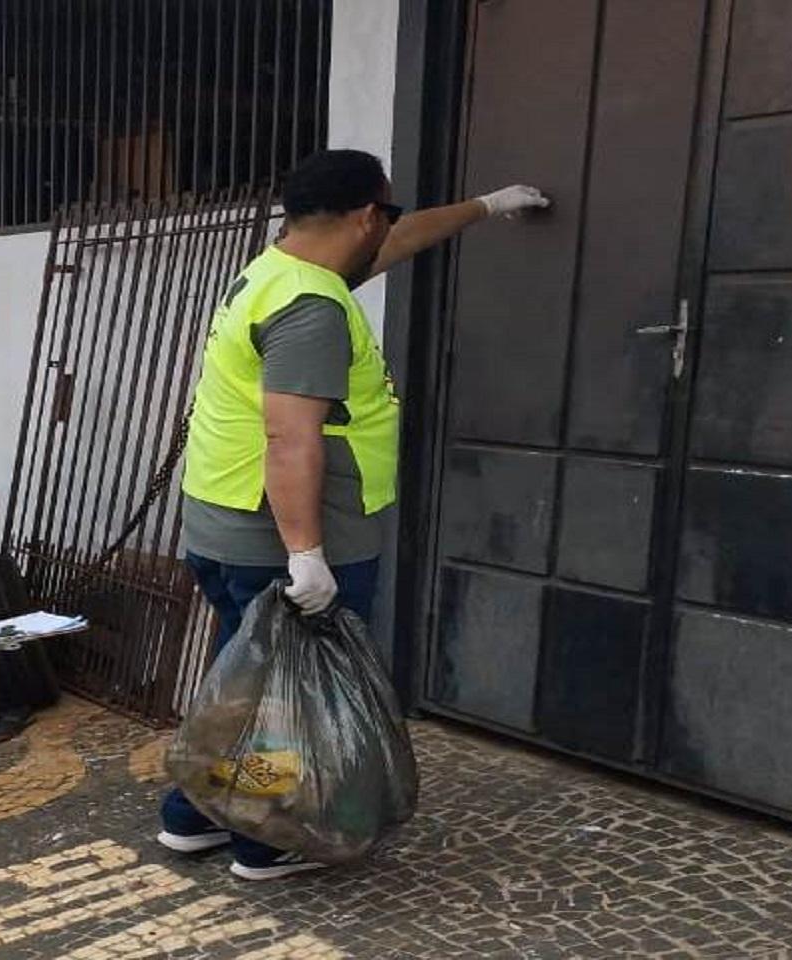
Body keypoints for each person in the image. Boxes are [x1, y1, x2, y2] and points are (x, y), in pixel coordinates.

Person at [158, 149, 548, 880]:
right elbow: (291, 434)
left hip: (223, 523)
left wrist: (486, 205)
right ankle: (262, 841)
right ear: (366, 214)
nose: (389, 229)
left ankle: (193, 817)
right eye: (386, 213)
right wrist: (308, 554)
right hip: (286, 536)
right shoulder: (311, 308)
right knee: (282, 696)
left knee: (243, 681)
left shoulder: (278, 272)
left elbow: (399, 242)